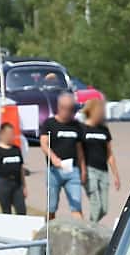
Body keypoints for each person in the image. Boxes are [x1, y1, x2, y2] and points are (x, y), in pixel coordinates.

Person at [40, 92, 86, 221]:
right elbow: (43, 143)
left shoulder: (76, 126)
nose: (69, 112)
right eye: (67, 109)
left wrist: (83, 170)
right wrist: (53, 158)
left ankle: (79, 235)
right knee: (51, 206)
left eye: (72, 109)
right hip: (54, 172)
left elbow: (80, 149)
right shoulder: (49, 123)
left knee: (76, 206)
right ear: (60, 107)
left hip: (72, 171)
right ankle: (47, 232)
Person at [78, 90, 121, 222]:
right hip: (90, 171)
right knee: (96, 206)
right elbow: (79, 152)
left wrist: (116, 175)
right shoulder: (81, 129)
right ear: (92, 110)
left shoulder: (104, 130)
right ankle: (91, 233)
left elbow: (109, 154)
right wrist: (82, 169)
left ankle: (90, 227)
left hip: (103, 171)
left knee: (104, 208)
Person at [0, 120, 28, 215]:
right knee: (6, 212)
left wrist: (24, 186)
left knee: (22, 211)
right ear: (1, 134)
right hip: (3, 184)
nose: (11, 136)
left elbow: (21, 169)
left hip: (17, 185)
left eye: (12, 134)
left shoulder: (16, 150)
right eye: (9, 134)